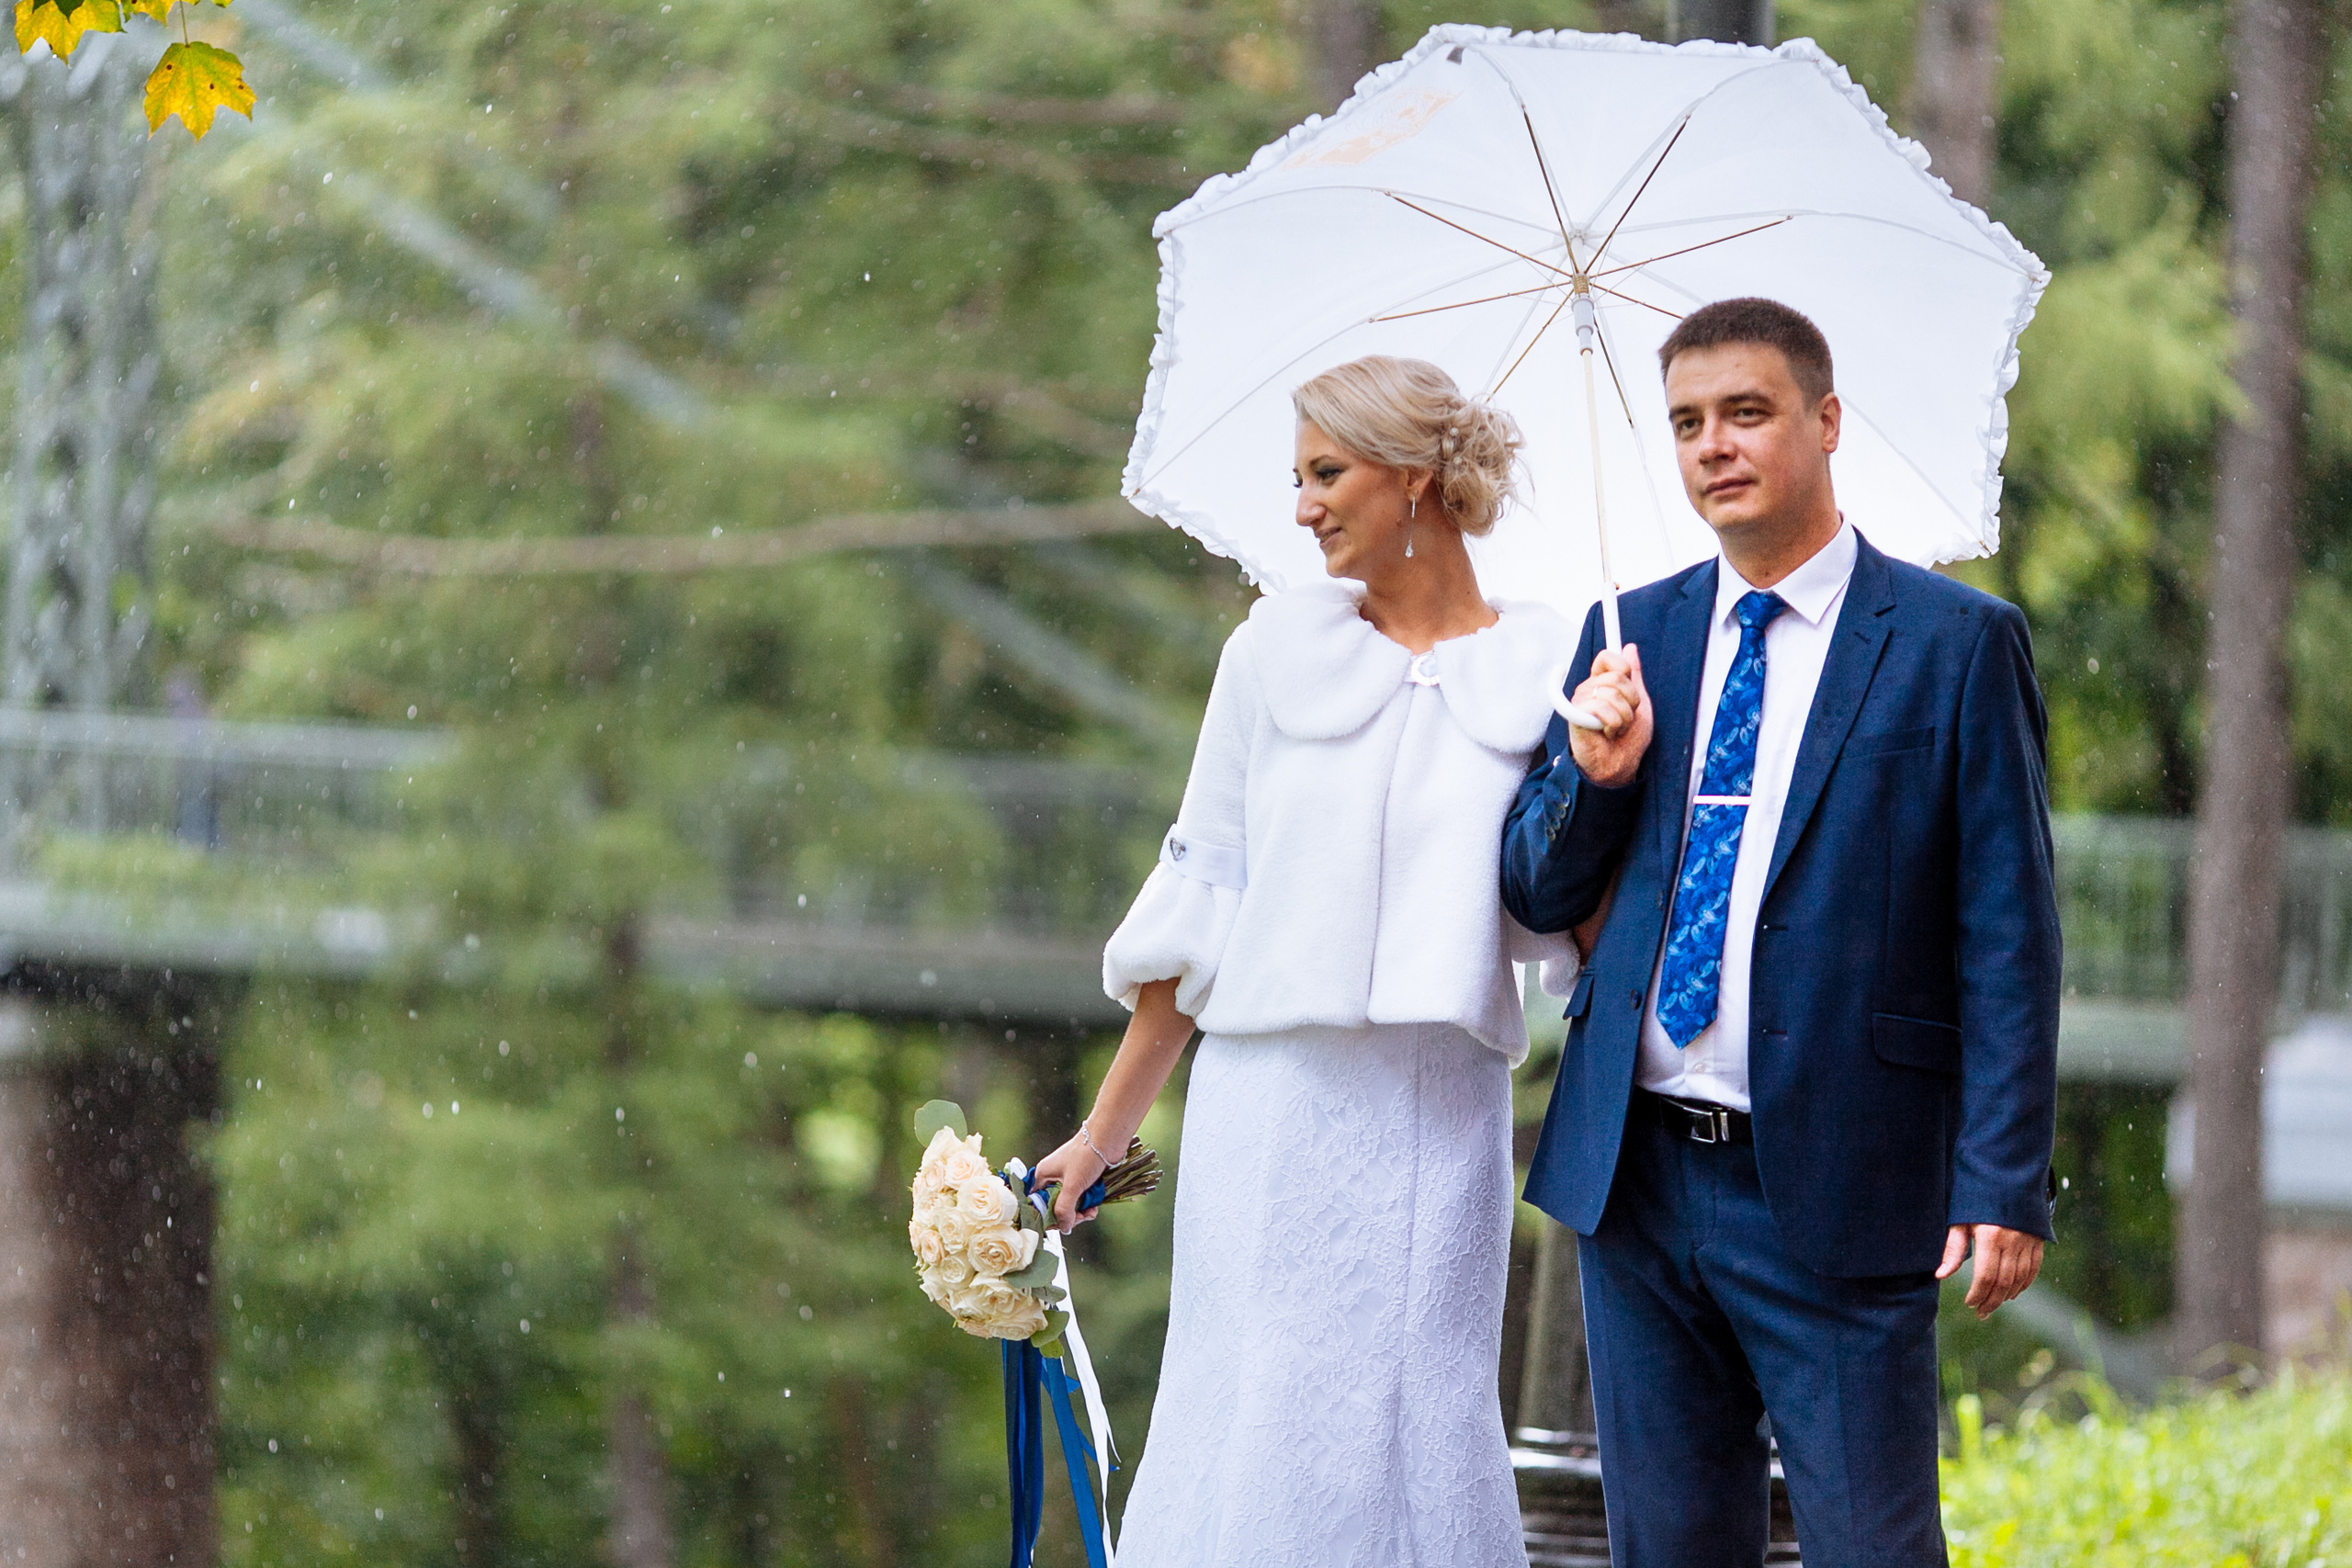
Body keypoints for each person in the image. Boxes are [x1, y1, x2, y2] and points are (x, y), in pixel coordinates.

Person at [1500, 299, 2061, 1568]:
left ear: (1825, 420)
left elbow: (2009, 938)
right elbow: (1535, 890)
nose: (1714, 445)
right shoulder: (1625, 635)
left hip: (1842, 1174)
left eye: (1746, 412)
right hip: (1633, 1181)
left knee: (1872, 1547)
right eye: (1689, 423)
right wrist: (1594, 770)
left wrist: (2002, 1179)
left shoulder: (1954, 644)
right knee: (1670, 1551)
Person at [1032, 355, 1574, 1568]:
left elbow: (1569, 922)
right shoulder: (1267, 659)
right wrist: (1105, 1133)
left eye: (1326, 472)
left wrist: (1608, 763)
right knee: (1255, 1409)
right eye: (1298, 477)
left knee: (1424, 1417)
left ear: (1419, 479)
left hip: (1442, 1112)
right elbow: (1200, 900)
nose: (1301, 506)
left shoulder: (1554, 675)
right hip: (1268, 1116)